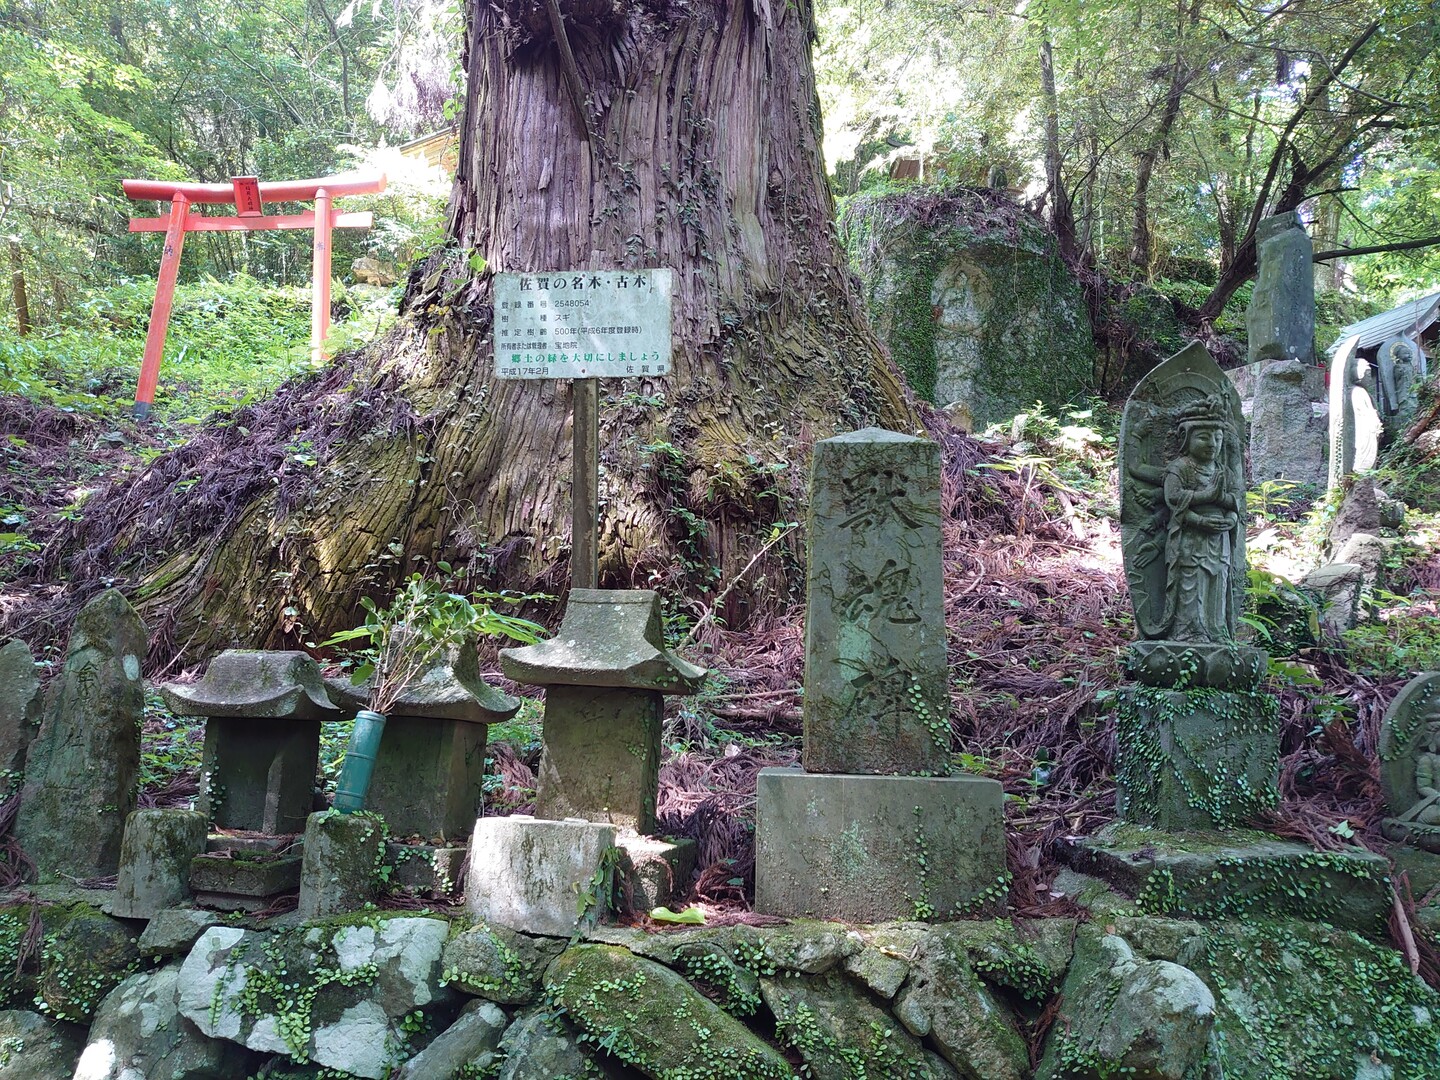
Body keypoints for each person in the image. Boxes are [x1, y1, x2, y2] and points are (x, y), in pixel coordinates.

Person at [1161, 397, 1241, 642]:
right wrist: (1201, 513)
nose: (1212, 444)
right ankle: (1190, 632)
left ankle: (1217, 630)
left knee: (1218, 582)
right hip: (1191, 537)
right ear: (1186, 438)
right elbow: (1173, 498)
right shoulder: (1180, 467)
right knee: (1192, 583)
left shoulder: (1223, 472)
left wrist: (1231, 516)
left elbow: (1236, 501)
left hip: (1219, 540)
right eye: (1204, 437)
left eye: (1217, 438)